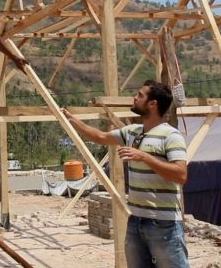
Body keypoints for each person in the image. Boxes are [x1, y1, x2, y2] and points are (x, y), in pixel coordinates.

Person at [63, 80, 189, 268]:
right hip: (136, 220)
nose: (135, 98)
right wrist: (72, 120)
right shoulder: (132, 132)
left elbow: (180, 175)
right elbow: (100, 137)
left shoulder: (171, 136)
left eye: (140, 95)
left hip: (164, 224)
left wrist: (145, 157)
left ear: (152, 104)